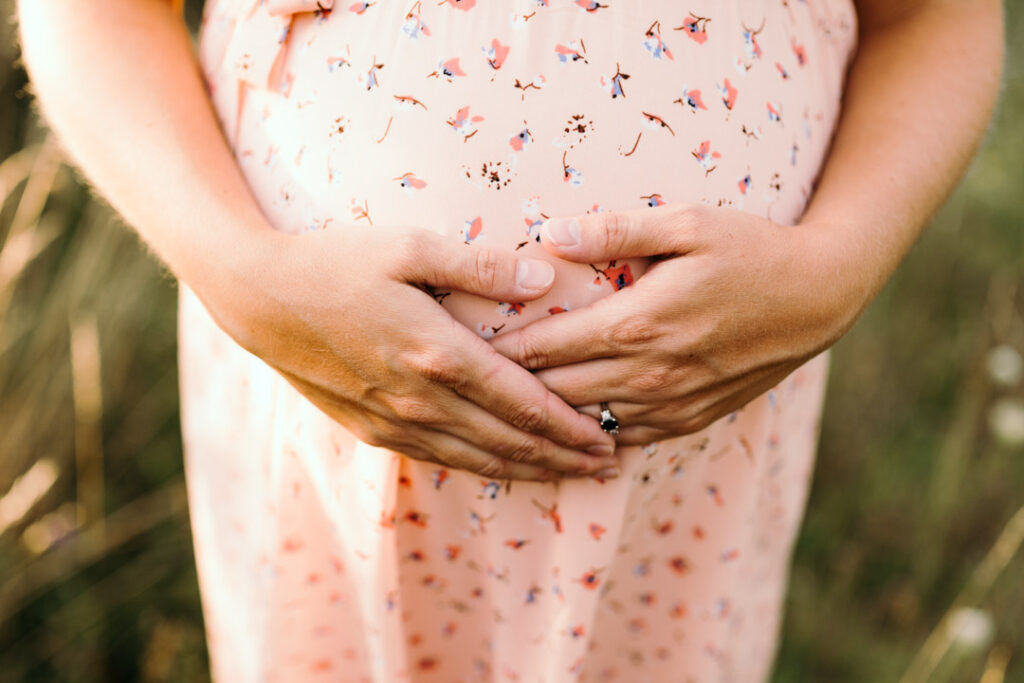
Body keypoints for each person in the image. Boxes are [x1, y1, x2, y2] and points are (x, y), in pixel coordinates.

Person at [16, 0, 1003, 680]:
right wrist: (241, 274)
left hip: (692, 492)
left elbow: (933, 15)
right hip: (319, 452)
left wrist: (833, 271)